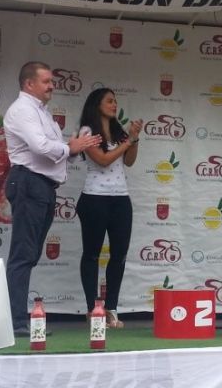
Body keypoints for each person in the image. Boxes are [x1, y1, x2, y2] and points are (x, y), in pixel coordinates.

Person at [4, 61, 101, 337]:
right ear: (29, 84)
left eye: (51, 81)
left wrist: (74, 148)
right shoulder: (23, 110)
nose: (51, 86)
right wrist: (70, 147)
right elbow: (40, 147)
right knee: (23, 254)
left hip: (42, 186)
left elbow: (54, 151)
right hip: (29, 182)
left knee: (30, 254)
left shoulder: (42, 112)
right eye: (46, 81)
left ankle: (17, 319)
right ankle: (15, 322)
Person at [76, 88, 142, 328]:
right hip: (94, 198)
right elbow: (103, 160)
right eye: (110, 101)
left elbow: (129, 161)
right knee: (92, 254)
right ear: (97, 104)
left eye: (116, 101)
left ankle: (112, 309)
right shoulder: (87, 131)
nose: (114, 105)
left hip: (120, 199)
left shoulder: (118, 131)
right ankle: (93, 309)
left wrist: (134, 138)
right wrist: (128, 142)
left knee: (119, 255)